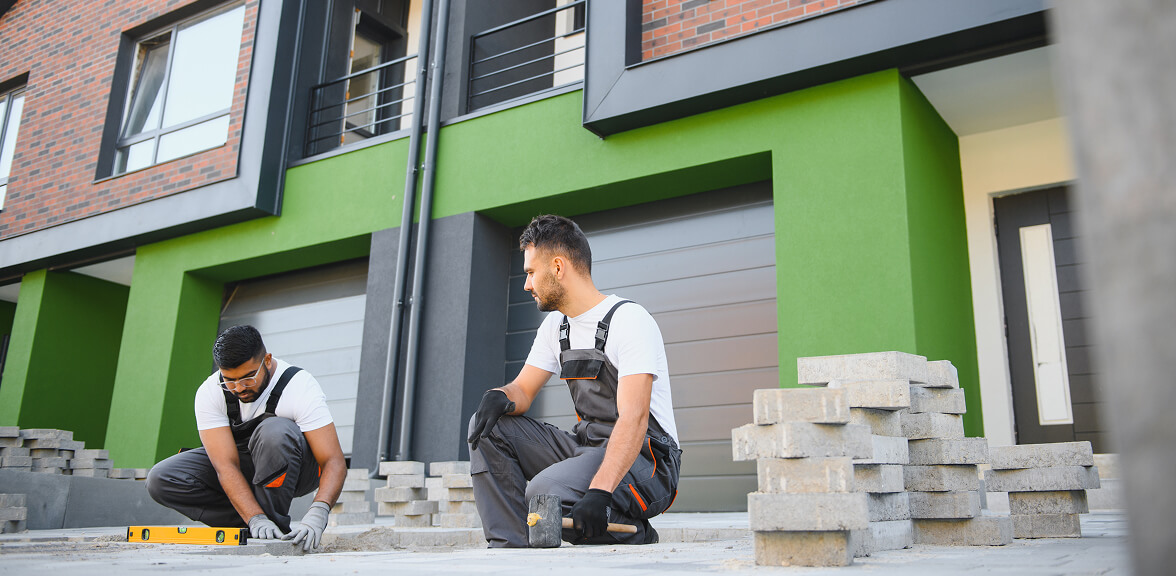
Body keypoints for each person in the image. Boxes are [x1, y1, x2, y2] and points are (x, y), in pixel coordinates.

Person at [468, 214, 682, 547]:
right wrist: (500, 395)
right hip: (588, 448)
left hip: (648, 462)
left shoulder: (628, 320)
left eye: (530, 273)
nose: (526, 284)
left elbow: (634, 417)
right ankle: (513, 547)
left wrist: (600, 490)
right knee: (487, 427)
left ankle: (632, 530)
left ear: (557, 267)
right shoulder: (556, 327)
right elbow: (522, 391)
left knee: (546, 493)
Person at [146, 325, 347, 551]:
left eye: (248, 377)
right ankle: (258, 525)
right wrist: (254, 517)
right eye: (229, 380)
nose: (239, 388)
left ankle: (273, 522)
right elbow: (225, 466)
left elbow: (333, 460)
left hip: (296, 469)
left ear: (267, 360)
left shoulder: (299, 385)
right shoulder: (210, 391)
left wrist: (318, 512)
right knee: (162, 478)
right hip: (244, 468)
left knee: (274, 431)